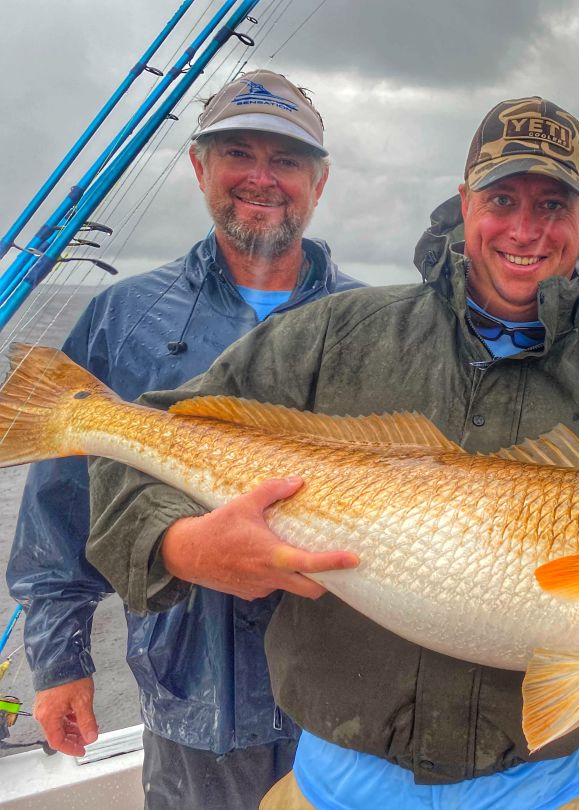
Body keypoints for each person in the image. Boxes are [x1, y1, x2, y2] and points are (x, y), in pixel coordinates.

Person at [84, 95, 579, 810]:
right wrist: (184, 545)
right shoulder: (332, 335)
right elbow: (136, 437)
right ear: (465, 202)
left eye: (554, 205)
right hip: (340, 783)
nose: (526, 229)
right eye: (503, 198)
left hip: (560, 787)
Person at [6, 70, 360, 809]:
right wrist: (59, 659)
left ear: (318, 183)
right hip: (191, 703)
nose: (261, 178)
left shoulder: (377, 326)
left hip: (347, 709)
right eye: (238, 153)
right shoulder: (123, 316)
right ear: (200, 167)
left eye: (287, 160)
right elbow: (60, 509)